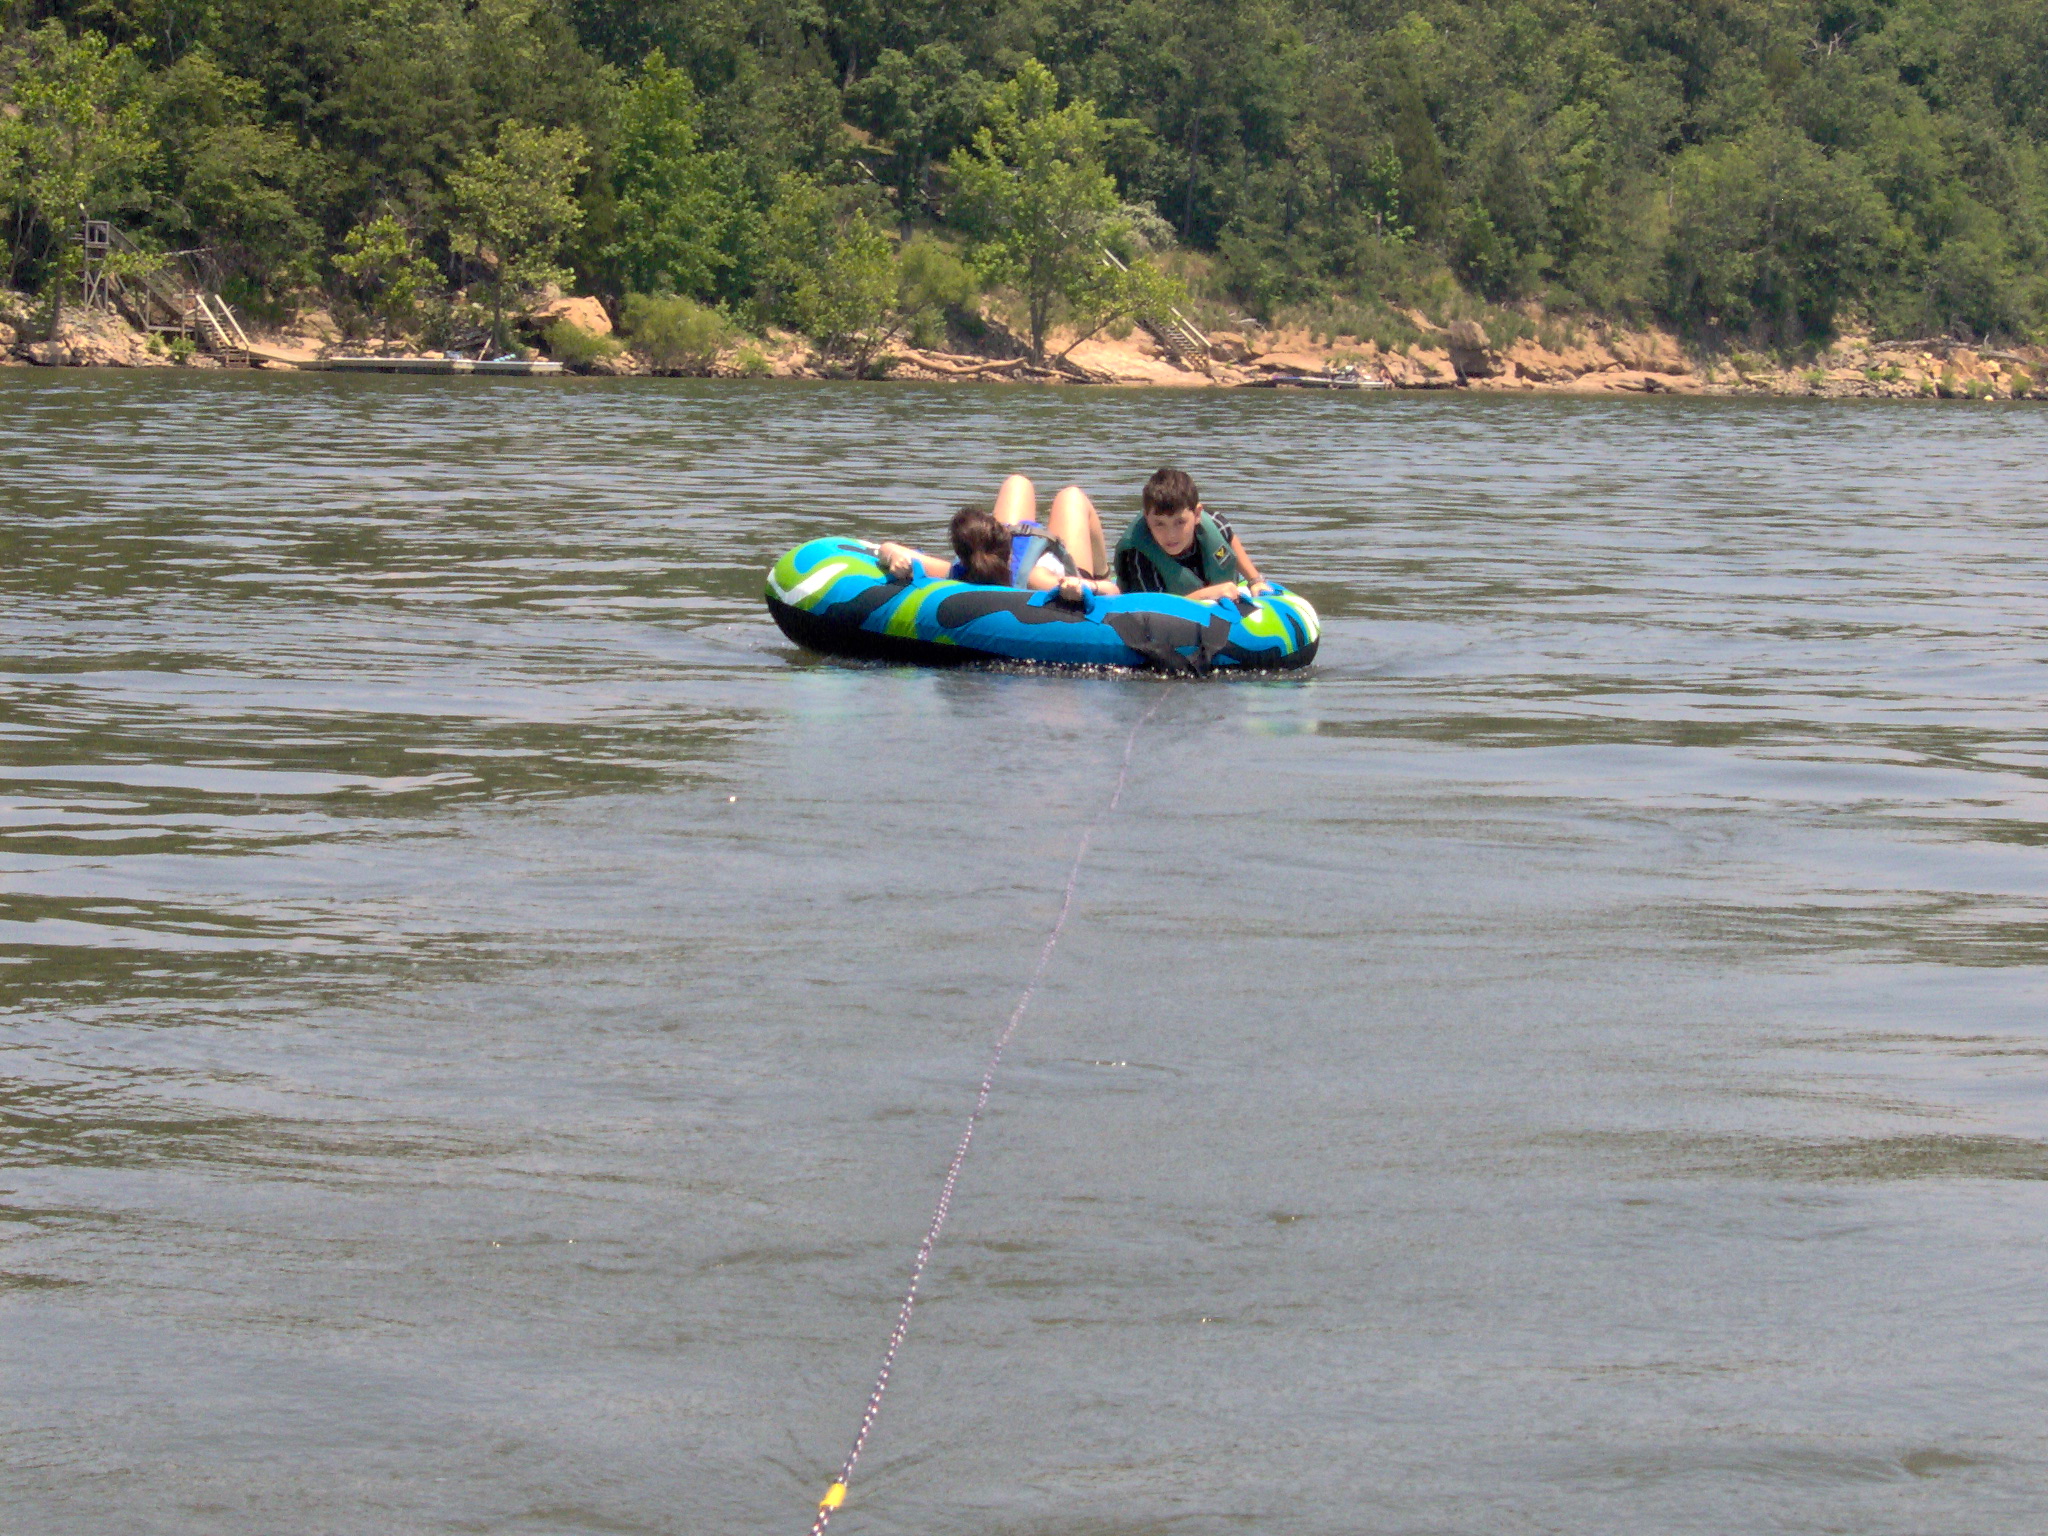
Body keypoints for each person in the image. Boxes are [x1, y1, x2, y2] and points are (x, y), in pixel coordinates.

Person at [876, 475, 1121, 600]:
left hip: (1026, 549)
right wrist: (1085, 586)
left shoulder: (959, 571)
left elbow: (886, 547)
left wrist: (895, 556)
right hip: (1066, 570)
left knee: (1017, 482)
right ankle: (1100, 569)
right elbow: (1113, 593)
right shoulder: (1037, 578)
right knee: (1071, 496)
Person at [1112, 467, 1271, 601]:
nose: (1171, 535)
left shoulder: (1216, 524)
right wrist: (1209, 594)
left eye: (1180, 522)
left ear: (1196, 514)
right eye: (1159, 524)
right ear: (1147, 518)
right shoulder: (1140, 552)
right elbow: (1154, 610)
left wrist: (1255, 580)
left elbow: (1229, 539)